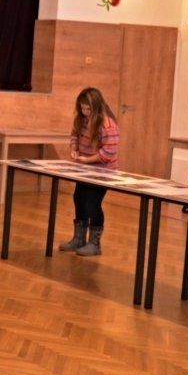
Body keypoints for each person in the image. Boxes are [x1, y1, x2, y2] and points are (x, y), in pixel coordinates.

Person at [59, 87, 120, 257]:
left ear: (97, 107)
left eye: (88, 109)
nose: (85, 112)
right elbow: (74, 134)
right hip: (85, 169)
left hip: (102, 172)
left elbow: (108, 153)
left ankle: (95, 243)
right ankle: (79, 238)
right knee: (79, 199)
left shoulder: (108, 125)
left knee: (92, 203)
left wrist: (87, 160)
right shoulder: (81, 120)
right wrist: (74, 149)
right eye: (82, 108)